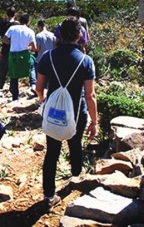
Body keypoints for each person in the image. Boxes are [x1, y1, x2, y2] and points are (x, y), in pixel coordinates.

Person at [36, 16, 98, 209]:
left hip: (54, 111)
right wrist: (94, 122)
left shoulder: (48, 57)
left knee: (52, 152)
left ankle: (48, 196)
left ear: (60, 35)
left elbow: (39, 88)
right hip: (77, 112)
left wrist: (43, 100)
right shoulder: (86, 61)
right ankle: (75, 177)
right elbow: (90, 95)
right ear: (80, 35)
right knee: (75, 144)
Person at [4, 13, 37, 101]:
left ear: (19, 21)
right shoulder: (30, 31)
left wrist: (12, 43)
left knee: (14, 74)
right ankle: (33, 84)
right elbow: (34, 48)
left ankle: (15, 96)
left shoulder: (12, 28)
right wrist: (28, 45)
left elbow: (4, 39)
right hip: (24, 54)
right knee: (33, 65)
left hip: (13, 54)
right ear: (28, 21)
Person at [0, 7, 18, 90]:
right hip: (16, 51)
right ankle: (13, 91)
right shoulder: (18, 25)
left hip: (5, 51)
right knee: (14, 72)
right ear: (15, 14)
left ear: (6, 14)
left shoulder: (2, 24)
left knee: (2, 72)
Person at [34, 20, 56, 86]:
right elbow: (55, 47)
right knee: (50, 79)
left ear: (39, 26)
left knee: (40, 79)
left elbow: (37, 49)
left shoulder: (38, 36)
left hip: (40, 59)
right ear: (45, 25)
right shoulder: (53, 35)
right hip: (51, 59)